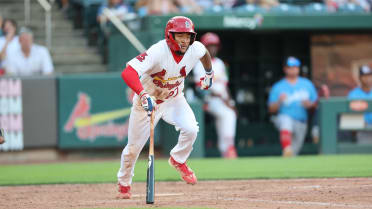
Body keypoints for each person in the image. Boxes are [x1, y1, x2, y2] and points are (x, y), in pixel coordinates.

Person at [117, 16, 213, 199]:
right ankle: (124, 182)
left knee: (191, 129)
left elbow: (205, 54)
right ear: (170, 36)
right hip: (147, 102)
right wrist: (143, 95)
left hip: (174, 99)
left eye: (188, 36)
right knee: (133, 149)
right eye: (180, 36)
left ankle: (178, 159)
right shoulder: (158, 51)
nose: (185, 40)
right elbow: (128, 72)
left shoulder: (196, 48)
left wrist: (209, 73)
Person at [193, 32, 238, 158]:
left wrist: (230, 101)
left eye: (214, 45)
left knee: (227, 115)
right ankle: (229, 148)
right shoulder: (199, 63)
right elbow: (201, 86)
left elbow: (224, 86)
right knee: (227, 114)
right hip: (209, 100)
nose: (212, 48)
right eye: (209, 45)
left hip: (222, 99)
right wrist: (222, 99)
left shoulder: (219, 63)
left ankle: (225, 150)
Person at [268, 56, 317, 157]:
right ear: (285, 69)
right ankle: (286, 147)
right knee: (285, 120)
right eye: (290, 67)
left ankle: (287, 158)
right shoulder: (278, 86)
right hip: (285, 117)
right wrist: (279, 102)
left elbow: (316, 104)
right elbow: (271, 109)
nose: (293, 69)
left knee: (293, 153)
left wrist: (310, 105)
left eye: (295, 67)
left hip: (302, 121)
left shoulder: (307, 84)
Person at [348, 65, 372, 144]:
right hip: (362, 128)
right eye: (364, 76)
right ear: (360, 78)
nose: (368, 79)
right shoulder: (353, 94)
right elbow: (349, 114)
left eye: (369, 76)